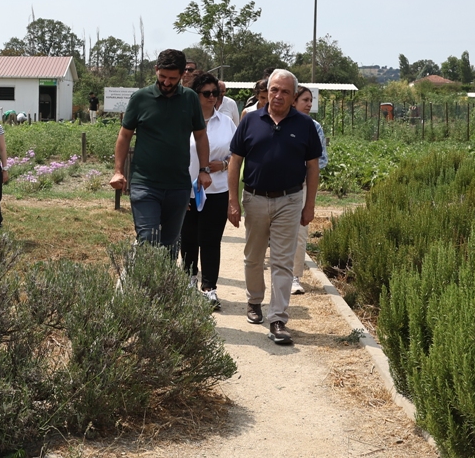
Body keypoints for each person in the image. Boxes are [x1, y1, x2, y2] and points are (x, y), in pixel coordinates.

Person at [225, 69, 322, 346]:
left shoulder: (305, 125)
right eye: (274, 90)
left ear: (293, 96)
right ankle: (254, 300)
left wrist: (309, 205)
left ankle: (278, 318)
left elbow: (312, 167)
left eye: (285, 92)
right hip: (255, 198)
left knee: (282, 260)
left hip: (290, 200)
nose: (278, 95)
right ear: (267, 91)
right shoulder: (250, 120)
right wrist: (233, 201)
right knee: (253, 256)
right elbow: (235, 161)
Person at [111, 49, 212, 251]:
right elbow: (124, 135)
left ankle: (165, 274)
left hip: (178, 185)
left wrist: (204, 170)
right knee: (148, 239)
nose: (166, 82)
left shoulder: (190, 99)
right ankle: (145, 272)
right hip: (145, 184)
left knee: (169, 245)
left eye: (172, 78)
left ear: (182, 74)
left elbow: (200, 136)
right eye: (163, 76)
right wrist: (118, 171)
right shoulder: (140, 98)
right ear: (156, 69)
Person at [181, 72, 235, 308]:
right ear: (195, 95)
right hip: (187, 190)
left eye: (216, 93)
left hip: (217, 190)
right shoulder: (183, 121)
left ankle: (209, 288)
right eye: (207, 93)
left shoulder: (227, 123)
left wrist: (223, 165)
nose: (212, 97)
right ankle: (188, 281)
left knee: (211, 240)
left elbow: (237, 155)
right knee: (188, 238)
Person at [289, 85, 329, 295]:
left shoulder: (315, 127)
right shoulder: (280, 123)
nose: (309, 104)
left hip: (302, 186)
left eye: (310, 100)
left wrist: (303, 171)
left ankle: (294, 277)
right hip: (277, 187)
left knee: (300, 232)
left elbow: (321, 160)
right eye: (305, 100)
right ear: (294, 101)